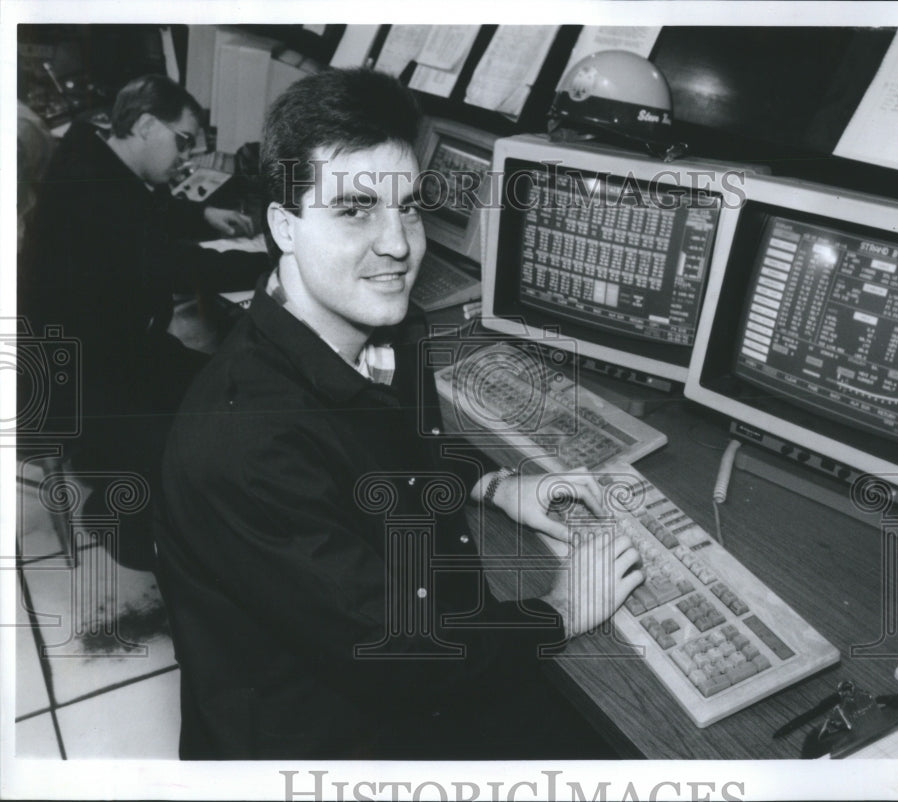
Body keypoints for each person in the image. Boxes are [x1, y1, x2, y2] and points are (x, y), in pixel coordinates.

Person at [154, 67, 644, 760]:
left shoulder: (378, 331)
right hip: (320, 737)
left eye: (407, 206)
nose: (398, 244)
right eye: (355, 209)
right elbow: (401, 655)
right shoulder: (246, 447)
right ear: (284, 226)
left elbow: (395, 439)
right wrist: (562, 609)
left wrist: (499, 485)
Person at [19, 74, 268, 569]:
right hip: (77, 376)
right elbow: (170, 260)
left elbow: (143, 210)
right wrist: (274, 260)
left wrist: (202, 218)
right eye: (182, 140)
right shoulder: (97, 196)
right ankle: (125, 525)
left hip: (92, 348)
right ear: (148, 125)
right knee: (198, 417)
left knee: (213, 382)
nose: (185, 155)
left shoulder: (88, 155)